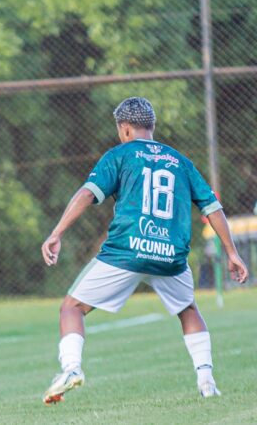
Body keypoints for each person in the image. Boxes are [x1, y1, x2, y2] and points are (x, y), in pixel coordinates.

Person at [39, 97, 249, 404]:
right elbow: (212, 206)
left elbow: (88, 193)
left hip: (126, 250)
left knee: (72, 307)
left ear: (124, 129)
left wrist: (57, 232)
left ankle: (71, 369)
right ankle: (206, 381)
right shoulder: (180, 160)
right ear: (152, 126)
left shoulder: (120, 155)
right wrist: (232, 252)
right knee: (188, 310)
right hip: (170, 256)